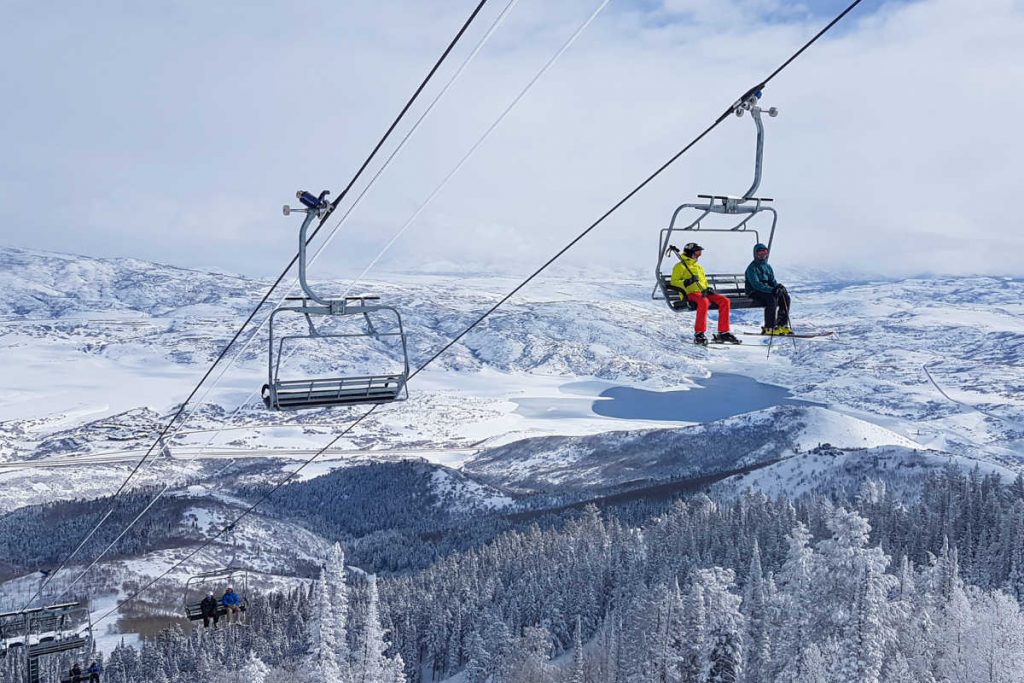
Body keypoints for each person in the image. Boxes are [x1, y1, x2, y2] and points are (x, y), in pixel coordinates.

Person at [670, 242, 741, 346]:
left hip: (702, 292)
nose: (698, 256)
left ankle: (723, 332)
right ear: (690, 253)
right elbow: (674, 282)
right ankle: (699, 333)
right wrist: (687, 282)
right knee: (704, 302)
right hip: (690, 293)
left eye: (699, 253)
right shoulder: (680, 266)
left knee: (724, 301)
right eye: (697, 253)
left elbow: (704, 282)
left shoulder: (698, 267)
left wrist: (708, 288)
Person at [744, 242, 793, 335]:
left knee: (785, 297)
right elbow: (756, 285)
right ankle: (769, 327)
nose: (762, 256)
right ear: (755, 254)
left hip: (766, 290)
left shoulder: (767, 266)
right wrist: (772, 290)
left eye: (765, 253)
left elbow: (772, 281)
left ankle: (781, 324)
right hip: (754, 292)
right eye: (760, 253)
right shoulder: (752, 268)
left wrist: (778, 287)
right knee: (772, 299)